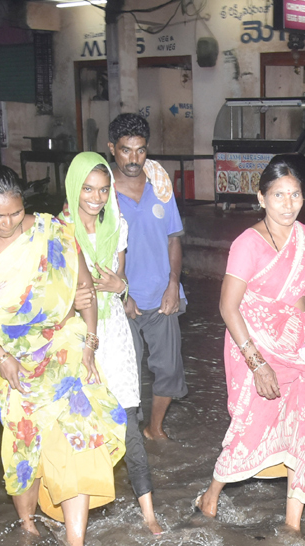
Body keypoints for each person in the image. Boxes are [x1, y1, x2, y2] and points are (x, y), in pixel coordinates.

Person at [0, 166, 126, 546]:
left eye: (15, 213)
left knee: (79, 434)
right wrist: (0, 355)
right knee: (24, 444)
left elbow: (84, 294)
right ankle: (28, 525)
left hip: (64, 347)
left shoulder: (53, 231)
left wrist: (89, 344)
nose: (9, 223)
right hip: (10, 356)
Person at [195, 157, 305, 535]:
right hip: (259, 347)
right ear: (262, 198)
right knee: (252, 425)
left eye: (295, 195)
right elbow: (228, 306)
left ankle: (292, 524)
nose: (288, 204)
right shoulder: (247, 244)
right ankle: (212, 494)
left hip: (301, 347)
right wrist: (258, 364)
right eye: (278, 195)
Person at [61, 151, 162, 535]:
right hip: (74, 334)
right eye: (87, 188)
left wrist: (121, 287)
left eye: (103, 189)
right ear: (74, 187)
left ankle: (149, 513)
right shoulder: (58, 231)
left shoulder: (116, 225)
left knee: (128, 420)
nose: (95, 197)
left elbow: (119, 281)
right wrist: (73, 299)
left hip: (114, 333)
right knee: (78, 425)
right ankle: (74, 523)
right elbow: (51, 289)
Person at [107, 113, 187, 441]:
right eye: (126, 150)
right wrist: (122, 295)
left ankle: (154, 429)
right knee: (124, 373)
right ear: (112, 148)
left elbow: (174, 239)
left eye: (140, 151)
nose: (134, 159)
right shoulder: (101, 193)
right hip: (118, 299)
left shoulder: (161, 187)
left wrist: (172, 284)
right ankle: (125, 437)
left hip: (160, 295)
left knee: (168, 369)